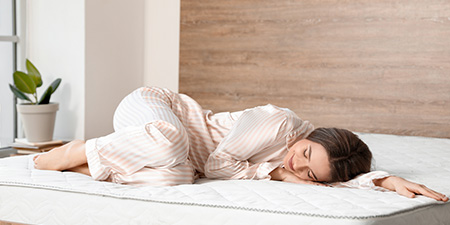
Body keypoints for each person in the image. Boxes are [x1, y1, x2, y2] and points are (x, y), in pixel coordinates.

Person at [34, 87, 448, 202]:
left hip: (176, 155)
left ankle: (84, 158)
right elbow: (217, 166)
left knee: (176, 177)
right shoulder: (279, 122)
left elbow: (332, 180)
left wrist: (387, 180)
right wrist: (281, 172)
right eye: (304, 154)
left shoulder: (315, 165)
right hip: (155, 111)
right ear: (310, 135)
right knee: (173, 144)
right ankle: (73, 150)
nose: (296, 165)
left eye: (308, 173)